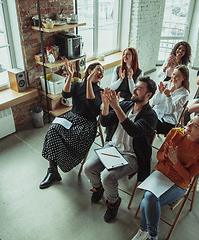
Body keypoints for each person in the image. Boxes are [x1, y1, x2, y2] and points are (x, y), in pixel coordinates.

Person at [84, 76, 158, 223]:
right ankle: (98, 188)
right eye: (135, 87)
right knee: (88, 167)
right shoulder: (126, 104)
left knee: (107, 176)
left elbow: (134, 130)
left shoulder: (151, 116)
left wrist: (116, 106)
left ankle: (113, 202)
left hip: (131, 156)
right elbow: (105, 122)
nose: (134, 90)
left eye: (139, 88)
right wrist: (106, 105)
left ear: (148, 95)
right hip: (113, 147)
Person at [132, 113, 199, 240]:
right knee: (149, 198)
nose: (189, 124)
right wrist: (165, 156)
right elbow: (158, 157)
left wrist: (175, 162)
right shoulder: (176, 133)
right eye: (191, 121)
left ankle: (146, 231)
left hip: (179, 183)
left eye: (195, 125)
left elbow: (188, 177)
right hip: (162, 172)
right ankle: (152, 235)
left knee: (148, 199)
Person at [39, 60, 104, 189]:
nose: (101, 72)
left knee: (73, 138)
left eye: (102, 70)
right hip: (71, 117)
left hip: (86, 124)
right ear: (90, 71)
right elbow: (65, 94)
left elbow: (93, 107)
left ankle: (60, 165)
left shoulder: (100, 92)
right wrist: (69, 76)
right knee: (53, 130)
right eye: (99, 69)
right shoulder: (78, 85)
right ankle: (52, 170)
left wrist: (90, 83)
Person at [152, 65, 190, 135]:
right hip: (155, 114)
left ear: (184, 78)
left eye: (177, 76)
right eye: (173, 74)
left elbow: (169, 111)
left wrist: (168, 96)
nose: (174, 77)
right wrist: (160, 93)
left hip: (168, 121)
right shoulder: (165, 84)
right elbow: (154, 102)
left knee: (147, 124)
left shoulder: (185, 94)